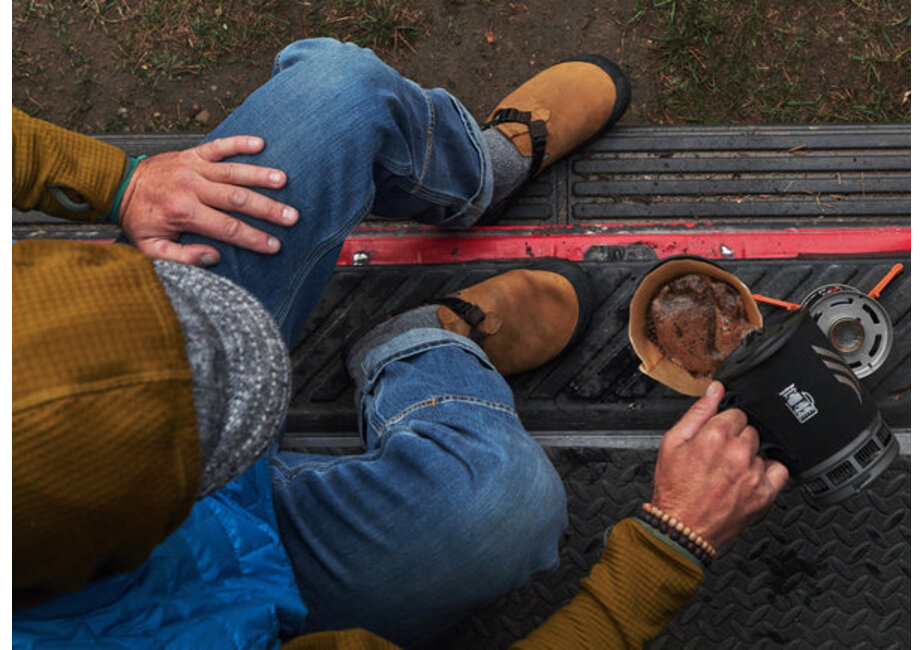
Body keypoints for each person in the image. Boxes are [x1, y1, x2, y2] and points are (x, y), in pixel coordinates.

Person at [12, 38, 788, 648]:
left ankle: (472, 171)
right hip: (208, 591)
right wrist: (666, 552)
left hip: (88, 378)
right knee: (505, 508)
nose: (246, 353)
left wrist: (110, 178)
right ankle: (421, 348)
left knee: (339, 89)